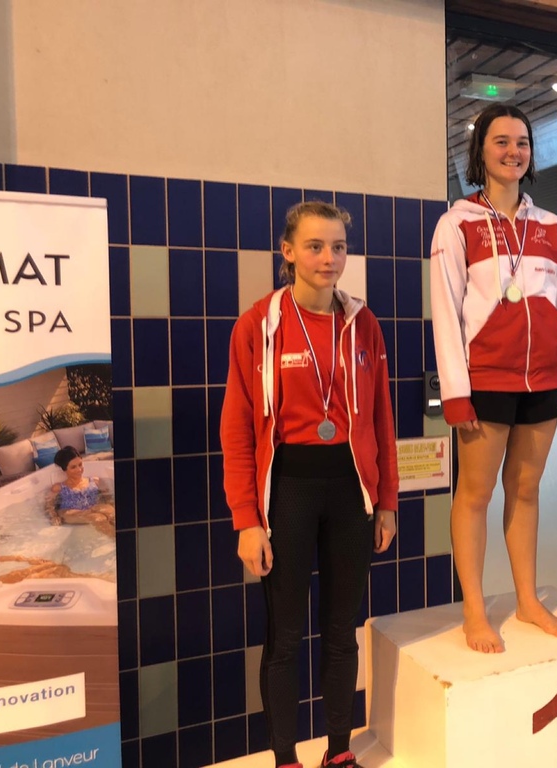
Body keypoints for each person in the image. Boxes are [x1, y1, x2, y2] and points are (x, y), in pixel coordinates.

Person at [221, 200, 398, 768]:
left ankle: (339, 752)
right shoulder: (258, 325)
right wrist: (247, 520)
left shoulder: (363, 323)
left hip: (350, 491)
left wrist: (387, 501)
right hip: (288, 492)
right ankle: (285, 759)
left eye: (338, 247)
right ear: (289, 252)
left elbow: (382, 420)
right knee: (286, 636)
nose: (329, 258)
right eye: (316, 246)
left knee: (342, 631)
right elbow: (237, 429)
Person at [430, 103, 557, 654]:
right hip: (486, 379)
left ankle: (526, 599)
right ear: (481, 151)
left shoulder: (551, 226)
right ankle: (475, 609)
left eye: (522, 142)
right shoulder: (457, 223)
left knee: (525, 489)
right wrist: (456, 393)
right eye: (501, 141)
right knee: (475, 494)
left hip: (542, 379)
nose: (513, 151)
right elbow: (445, 312)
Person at [47, 446, 115, 537]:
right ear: (64, 469)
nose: (79, 469)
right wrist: (54, 516)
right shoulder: (58, 487)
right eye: (73, 467)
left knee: (110, 511)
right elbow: (49, 505)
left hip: (92, 507)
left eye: (80, 464)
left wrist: (111, 504)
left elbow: (107, 496)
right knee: (98, 518)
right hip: (70, 512)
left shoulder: (94, 481)